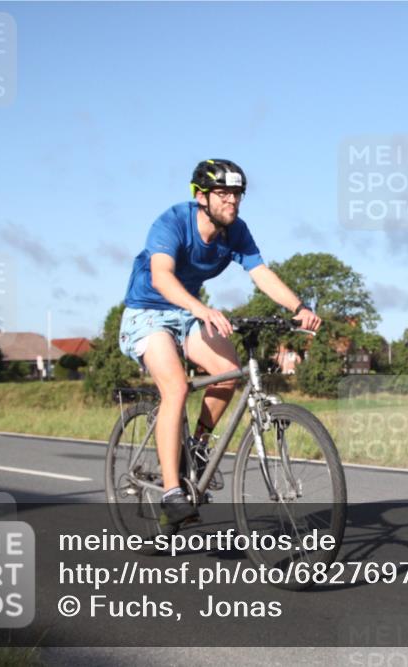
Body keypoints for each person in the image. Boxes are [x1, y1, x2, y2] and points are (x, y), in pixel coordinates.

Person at [118, 159, 321, 533]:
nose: (232, 201)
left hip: (188, 315)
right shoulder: (172, 222)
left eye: (237, 194)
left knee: (228, 374)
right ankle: (171, 492)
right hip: (147, 313)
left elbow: (261, 273)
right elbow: (161, 277)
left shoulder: (236, 232)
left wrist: (298, 307)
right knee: (176, 387)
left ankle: (195, 447)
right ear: (201, 196)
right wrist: (200, 308)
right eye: (224, 193)